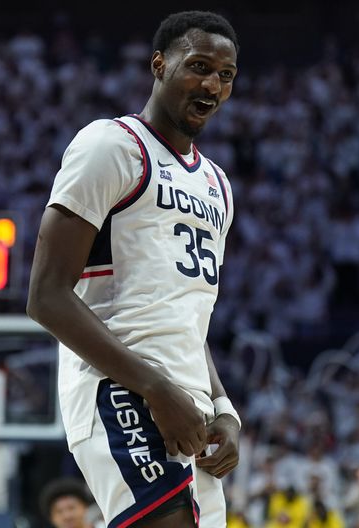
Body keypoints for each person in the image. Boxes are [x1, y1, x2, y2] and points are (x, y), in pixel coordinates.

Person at [27, 10, 242, 528]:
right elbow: (46, 296)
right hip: (118, 387)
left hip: (189, 404)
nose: (211, 83)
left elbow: (189, 317)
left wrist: (224, 407)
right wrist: (155, 389)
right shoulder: (111, 145)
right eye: (198, 66)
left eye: (226, 74)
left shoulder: (217, 184)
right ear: (159, 64)